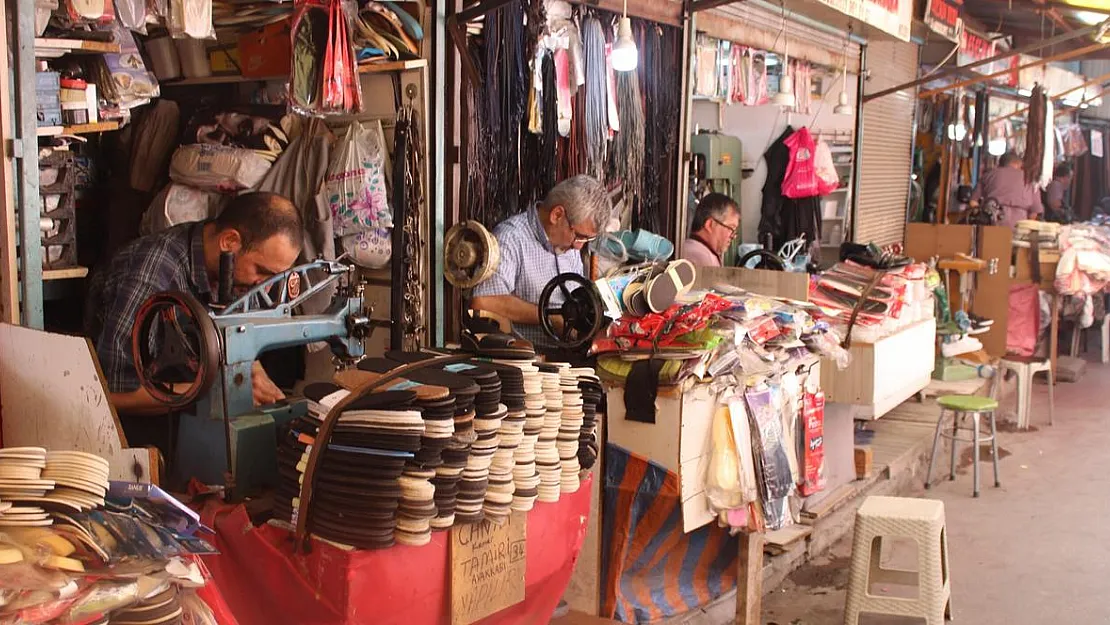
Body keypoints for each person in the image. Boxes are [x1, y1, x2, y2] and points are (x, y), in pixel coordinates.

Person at [85, 191, 303, 417]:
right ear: (229, 242)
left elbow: (237, 338)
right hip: (132, 426)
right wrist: (222, 390)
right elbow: (112, 392)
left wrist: (253, 371)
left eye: (275, 277)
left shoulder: (241, 274)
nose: (266, 288)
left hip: (190, 410)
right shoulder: (152, 272)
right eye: (262, 272)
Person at [471, 175, 612, 347]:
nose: (578, 247)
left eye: (586, 240)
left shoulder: (570, 243)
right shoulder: (511, 239)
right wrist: (549, 316)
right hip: (527, 358)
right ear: (557, 215)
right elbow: (484, 302)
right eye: (579, 236)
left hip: (567, 351)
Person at [970, 152, 1043, 228]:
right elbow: (1034, 212)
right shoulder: (1029, 179)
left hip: (992, 224)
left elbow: (973, 202)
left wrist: (982, 215)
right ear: (1017, 163)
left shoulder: (988, 175)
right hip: (1019, 227)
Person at [681, 193, 740, 267]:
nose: (733, 236)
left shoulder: (698, 250)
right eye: (731, 228)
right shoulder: (700, 257)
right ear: (709, 224)